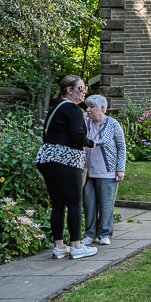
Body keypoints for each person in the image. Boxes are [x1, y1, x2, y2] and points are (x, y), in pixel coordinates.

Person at [35, 76, 97, 259]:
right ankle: (77, 246)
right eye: (80, 89)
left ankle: (59, 247)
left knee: (58, 204)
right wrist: (90, 142)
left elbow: (46, 134)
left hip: (47, 160)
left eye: (85, 89)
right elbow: (77, 136)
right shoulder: (72, 108)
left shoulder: (55, 108)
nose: (84, 92)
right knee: (75, 203)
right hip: (67, 160)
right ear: (69, 90)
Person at [81, 95, 127, 247]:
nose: (88, 109)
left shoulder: (113, 124)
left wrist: (120, 169)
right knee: (89, 204)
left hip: (107, 171)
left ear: (101, 108)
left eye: (91, 107)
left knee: (106, 205)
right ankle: (89, 234)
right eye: (87, 106)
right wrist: (79, 120)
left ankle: (105, 234)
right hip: (87, 171)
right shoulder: (85, 122)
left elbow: (121, 147)